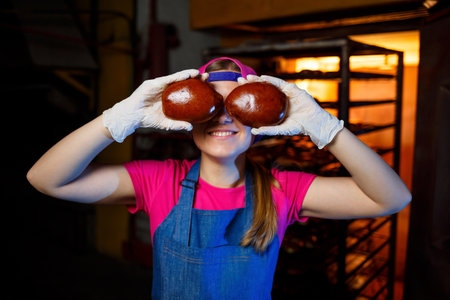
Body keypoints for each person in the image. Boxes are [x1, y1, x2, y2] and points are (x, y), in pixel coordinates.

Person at [26, 57, 411, 299]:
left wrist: (325, 128)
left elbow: (391, 198)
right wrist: (117, 119)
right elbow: (47, 179)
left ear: (258, 126)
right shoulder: (159, 182)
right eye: (211, 106)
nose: (223, 117)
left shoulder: (283, 190)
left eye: (235, 107)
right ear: (189, 121)